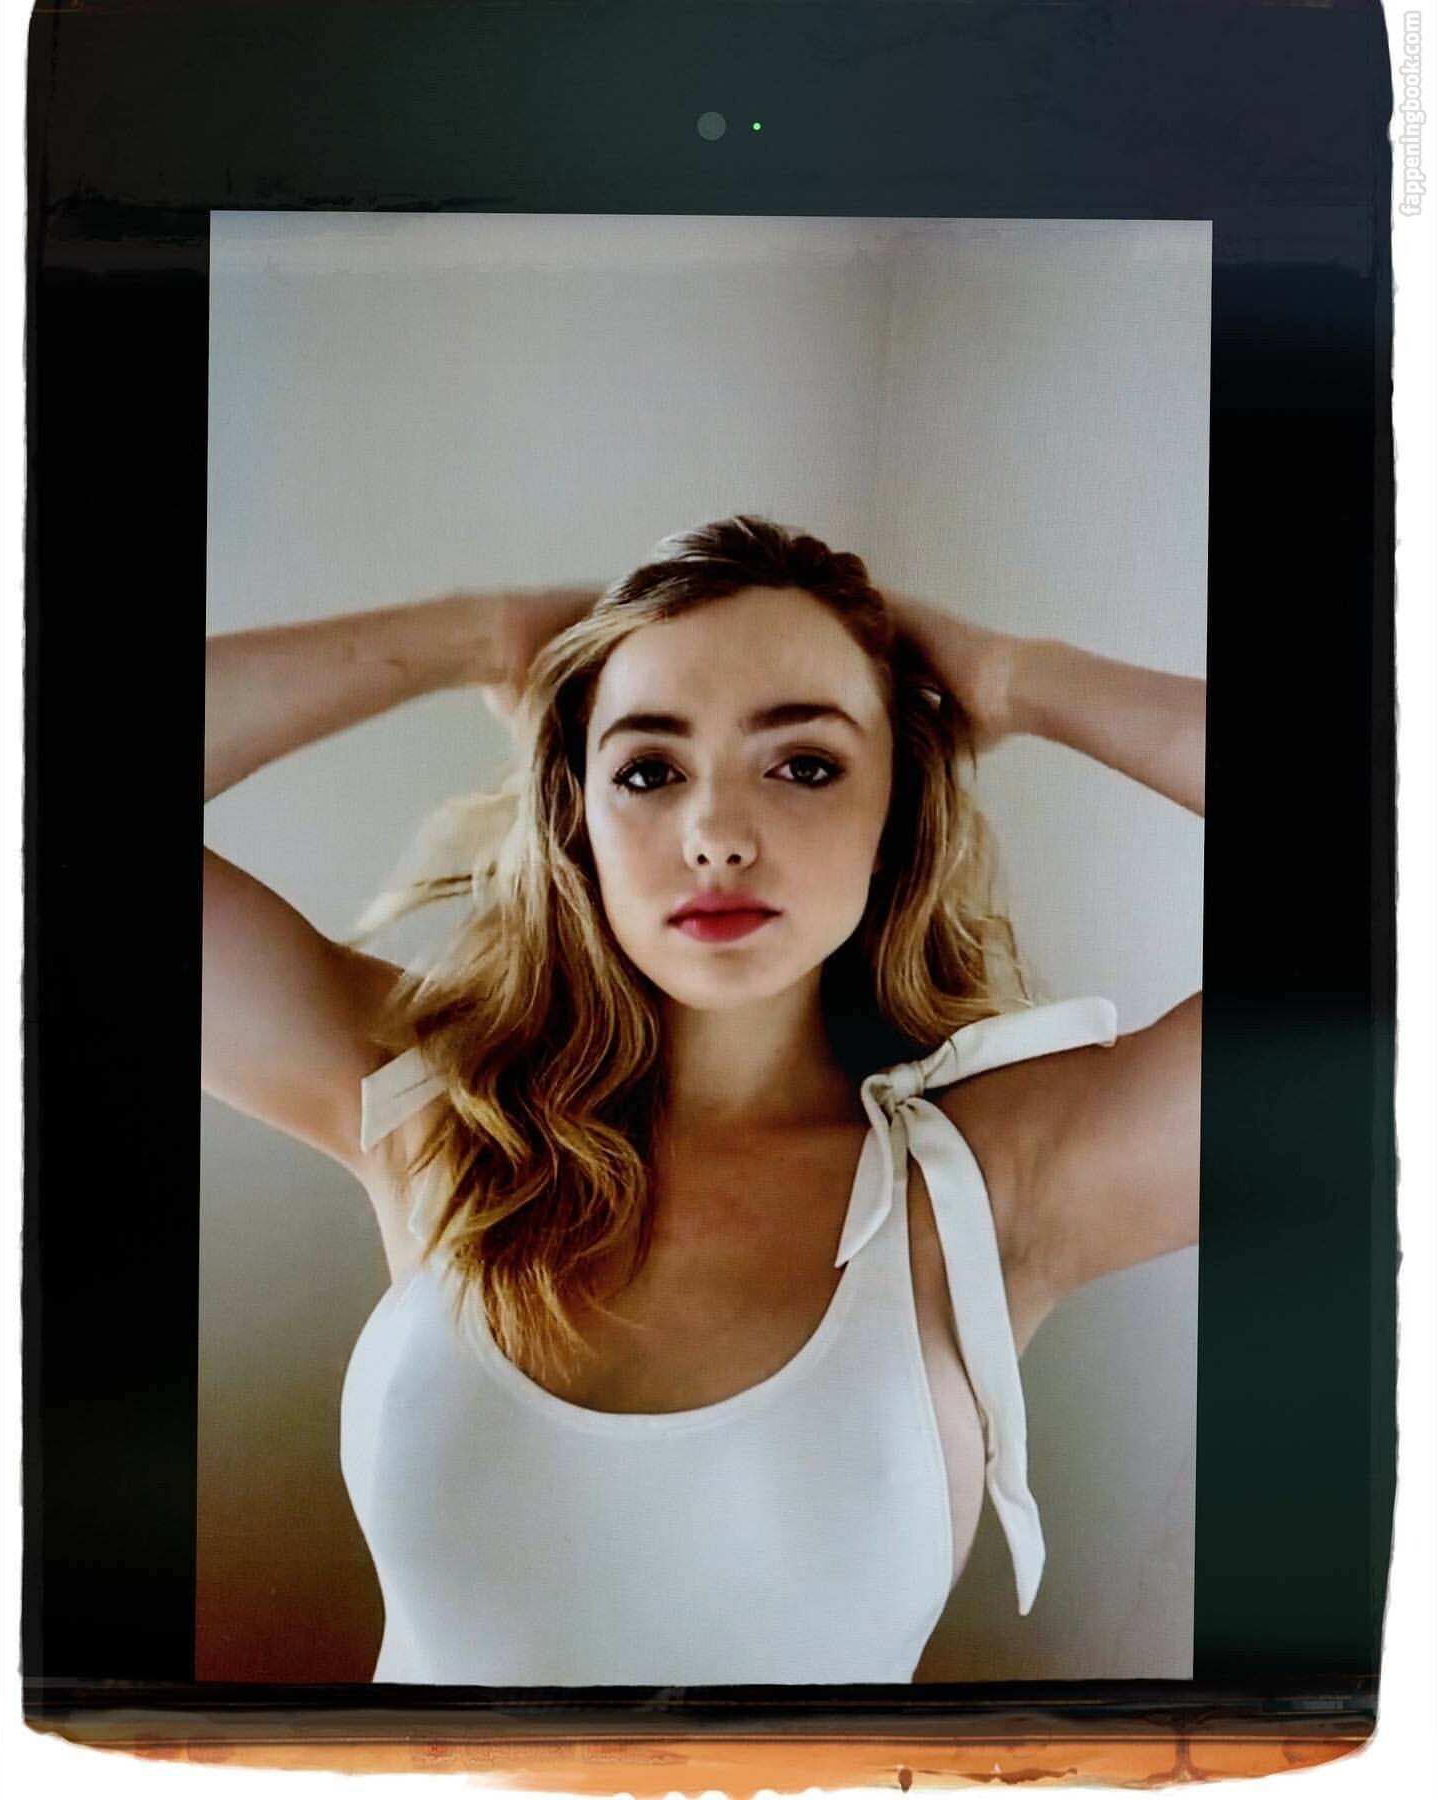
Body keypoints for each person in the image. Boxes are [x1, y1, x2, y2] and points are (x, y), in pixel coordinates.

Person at [202, 514, 1203, 1685]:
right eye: (649, 770)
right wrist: (481, 637)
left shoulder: (995, 1180)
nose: (717, 836)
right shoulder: (436, 1106)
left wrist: (1013, 679)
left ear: (894, 816)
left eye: (805, 765)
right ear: (577, 818)